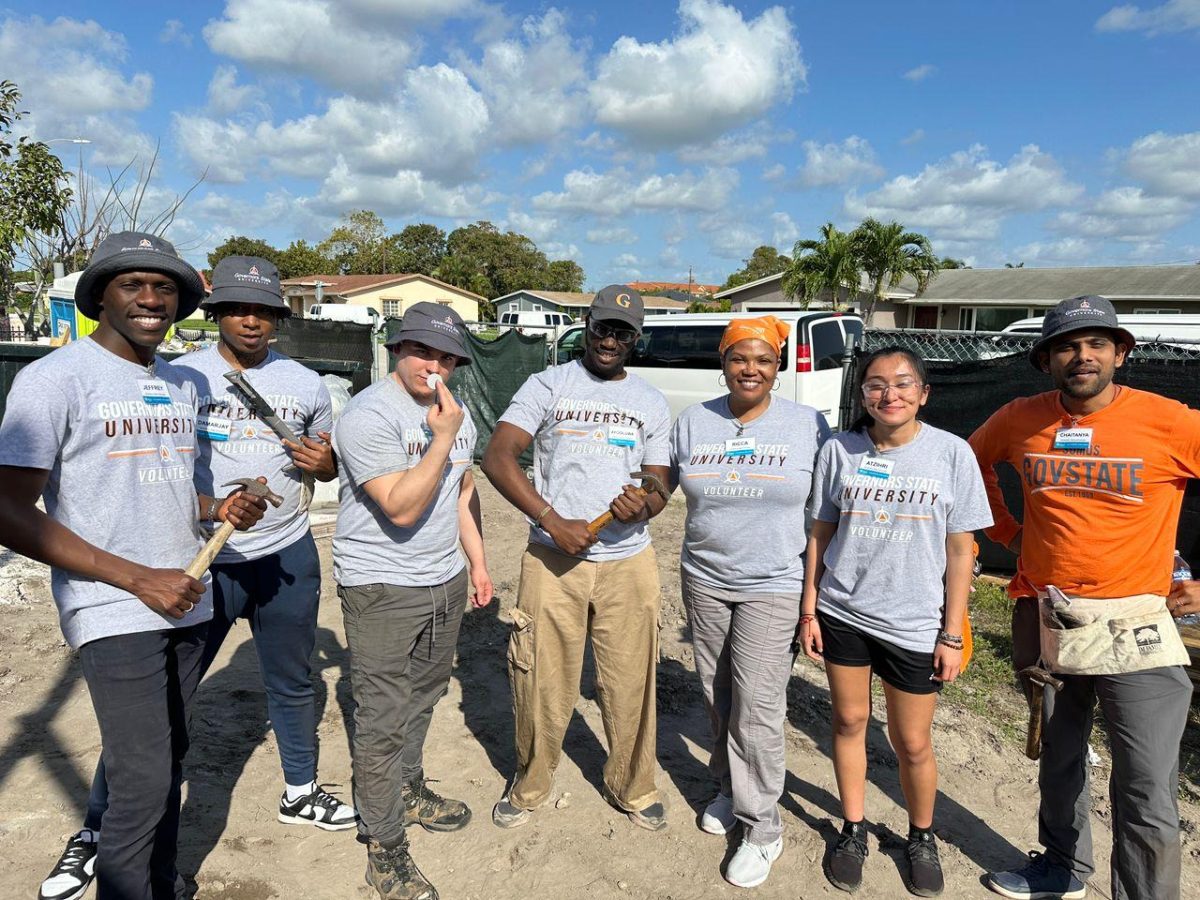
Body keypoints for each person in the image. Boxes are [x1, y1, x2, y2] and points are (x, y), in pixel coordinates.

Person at [0, 232, 267, 900]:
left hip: (186, 596)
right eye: (132, 285)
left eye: (165, 287)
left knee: (169, 758)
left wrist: (219, 508)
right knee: (142, 775)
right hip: (114, 605)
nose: (151, 299)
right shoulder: (52, 380)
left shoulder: (181, 381)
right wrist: (137, 577)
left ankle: (162, 885)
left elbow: (171, 484)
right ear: (100, 298)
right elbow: (7, 508)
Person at [970, 295, 1200, 900]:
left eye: (1097, 343)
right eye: (1068, 346)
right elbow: (970, 464)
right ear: (1047, 359)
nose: (1083, 356)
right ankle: (1062, 868)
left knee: (1146, 784)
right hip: (1050, 617)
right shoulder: (1022, 417)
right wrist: (1007, 535)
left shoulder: (1171, 421)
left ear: (1121, 353)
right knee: (1060, 756)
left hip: (1136, 623)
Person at [798, 346, 992, 897]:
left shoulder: (951, 453)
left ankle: (920, 836)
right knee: (849, 722)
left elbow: (961, 551)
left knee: (912, 743)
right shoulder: (839, 449)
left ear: (924, 393)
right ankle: (853, 828)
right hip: (844, 613)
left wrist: (951, 633)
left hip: (915, 623)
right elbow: (820, 534)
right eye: (876, 385)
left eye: (903, 384)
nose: (890, 395)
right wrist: (810, 608)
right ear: (862, 395)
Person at [482, 285, 671, 832]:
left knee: (632, 678)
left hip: (629, 563)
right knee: (539, 675)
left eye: (623, 332)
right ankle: (532, 782)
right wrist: (549, 519)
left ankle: (632, 786)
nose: (610, 340)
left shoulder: (650, 401)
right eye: (603, 328)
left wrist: (645, 505)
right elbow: (498, 456)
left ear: (637, 338)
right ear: (585, 326)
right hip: (551, 559)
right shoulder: (547, 384)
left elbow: (659, 481)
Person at [333, 302, 493, 900]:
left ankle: (407, 787)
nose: (436, 366)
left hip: (443, 581)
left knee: (425, 695)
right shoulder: (368, 415)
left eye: (449, 357)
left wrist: (476, 562)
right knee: (380, 718)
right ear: (399, 349)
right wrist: (441, 439)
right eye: (425, 352)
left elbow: (462, 490)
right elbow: (399, 506)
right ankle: (384, 847)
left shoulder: (456, 412)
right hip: (381, 587)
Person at [668, 316, 830, 887]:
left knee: (758, 705)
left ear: (778, 366)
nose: (751, 369)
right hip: (705, 576)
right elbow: (662, 482)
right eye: (740, 358)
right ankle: (729, 788)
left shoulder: (809, 425)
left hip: (775, 582)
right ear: (723, 361)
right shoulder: (693, 421)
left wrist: (818, 594)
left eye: (763, 359)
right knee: (716, 696)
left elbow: (827, 511)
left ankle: (763, 827)